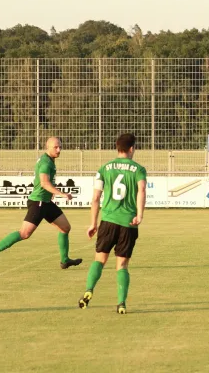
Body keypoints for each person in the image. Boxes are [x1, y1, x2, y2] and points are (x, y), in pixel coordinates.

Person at [0, 137, 82, 270]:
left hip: (46, 202)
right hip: (38, 203)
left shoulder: (49, 160)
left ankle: (65, 260)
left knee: (65, 227)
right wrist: (61, 193)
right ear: (48, 147)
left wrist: (51, 192)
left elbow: (46, 183)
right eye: (56, 147)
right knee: (24, 233)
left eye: (60, 147)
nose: (59, 150)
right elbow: (44, 183)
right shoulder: (46, 163)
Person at [78, 133, 146, 314]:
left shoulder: (104, 169)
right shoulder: (139, 169)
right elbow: (142, 190)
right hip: (128, 223)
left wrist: (93, 223)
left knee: (99, 260)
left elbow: (95, 198)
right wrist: (139, 215)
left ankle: (89, 289)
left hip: (107, 221)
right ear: (132, 148)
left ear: (117, 148)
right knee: (122, 265)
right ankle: (121, 303)